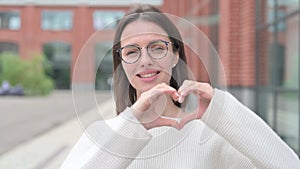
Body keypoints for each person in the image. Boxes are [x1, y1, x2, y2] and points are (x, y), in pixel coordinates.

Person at [61, 4, 300, 169]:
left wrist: (223, 109)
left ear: (176, 55)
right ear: (121, 63)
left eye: (157, 47)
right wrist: (131, 127)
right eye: (132, 51)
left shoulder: (209, 136)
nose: (145, 60)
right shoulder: (102, 134)